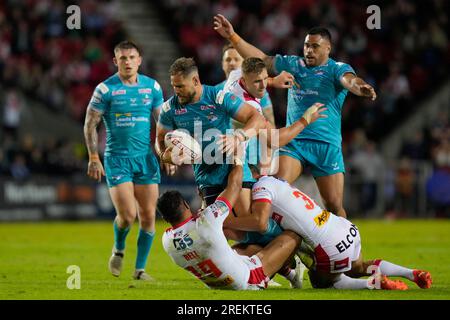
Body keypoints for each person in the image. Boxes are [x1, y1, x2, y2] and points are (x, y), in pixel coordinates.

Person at [214, 14, 377, 218]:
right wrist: (233, 36)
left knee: (334, 206)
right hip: (295, 143)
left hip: (325, 145)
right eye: (307, 45)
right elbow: (262, 59)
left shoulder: (337, 69)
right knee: (273, 193)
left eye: (315, 46)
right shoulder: (294, 64)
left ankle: (348, 249)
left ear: (328, 48)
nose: (308, 50)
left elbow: (350, 80)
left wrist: (361, 87)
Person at [224, 169, 433, 290]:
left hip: (329, 244)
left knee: (323, 283)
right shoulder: (279, 182)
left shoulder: (261, 188)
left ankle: (371, 284)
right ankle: (411, 273)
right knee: (358, 267)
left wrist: (225, 221)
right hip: (345, 228)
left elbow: (260, 223)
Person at [158, 152, 302, 290]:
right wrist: (238, 160)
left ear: (165, 218)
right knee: (293, 236)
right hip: (249, 279)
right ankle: (290, 265)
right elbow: (235, 186)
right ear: (186, 205)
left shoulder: (167, 241)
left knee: (249, 248)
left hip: (217, 283)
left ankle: (290, 273)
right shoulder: (207, 220)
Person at [84, 41, 164, 280]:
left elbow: (162, 124)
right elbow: (90, 123)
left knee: (149, 216)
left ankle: (139, 270)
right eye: (123, 58)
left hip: (146, 159)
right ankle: (118, 249)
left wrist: (166, 151)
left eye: (132, 57)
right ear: (115, 61)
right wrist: (93, 156)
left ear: (139, 60)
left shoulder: (152, 87)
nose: (127, 62)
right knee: (128, 215)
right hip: (117, 159)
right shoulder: (105, 89)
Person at [156, 57, 266, 218]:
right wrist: (164, 155)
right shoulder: (169, 108)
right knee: (218, 230)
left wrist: (238, 138)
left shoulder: (217, 97)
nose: (176, 91)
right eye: (174, 86)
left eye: (180, 86)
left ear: (195, 80)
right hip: (207, 177)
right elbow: (160, 139)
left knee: (246, 223)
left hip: (232, 167)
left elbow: (257, 119)